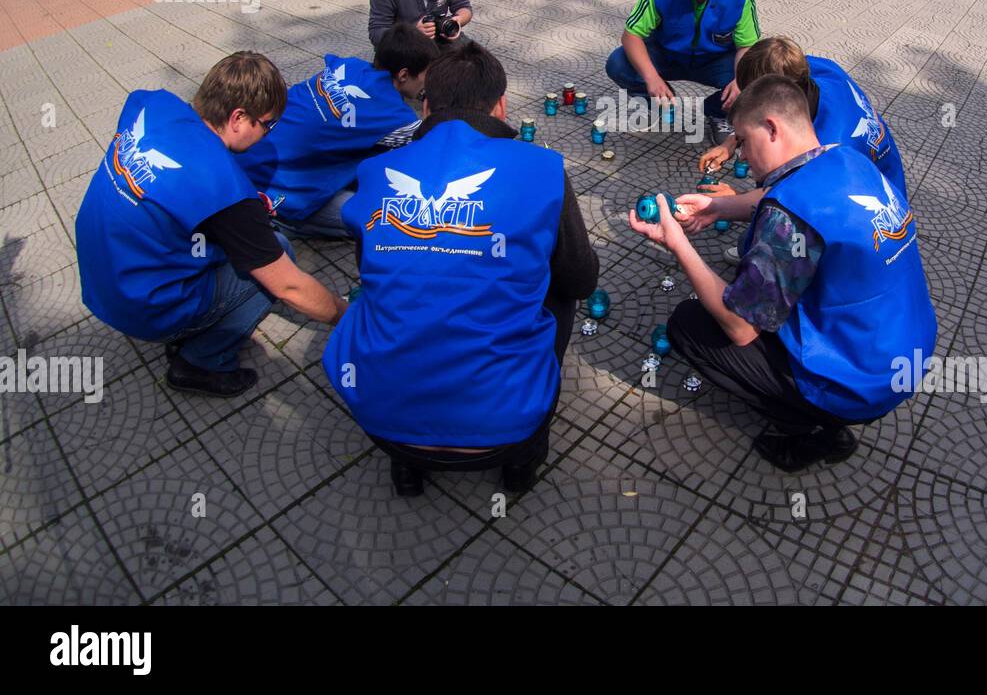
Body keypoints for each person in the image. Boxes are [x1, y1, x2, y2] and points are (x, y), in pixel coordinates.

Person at [323, 41, 599, 496]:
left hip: (382, 416)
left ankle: (407, 467)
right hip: (509, 423)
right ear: (501, 105)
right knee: (561, 286)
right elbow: (582, 280)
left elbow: (369, 273)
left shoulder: (376, 170)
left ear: (425, 104)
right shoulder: (542, 167)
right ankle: (521, 465)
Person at [632, 75, 937, 472]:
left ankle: (812, 428)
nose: (741, 157)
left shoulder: (791, 214)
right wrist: (719, 208)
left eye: (742, 141)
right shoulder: (848, 159)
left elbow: (739, 326)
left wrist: (679, 245)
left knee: (690, 324)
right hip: (908, 350)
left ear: (771, 128)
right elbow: (794, 191)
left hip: (860, 383)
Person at [76, 53, 350, 397]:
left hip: (100, 278)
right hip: (137, 304)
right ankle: (199, 362)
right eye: (267, 124)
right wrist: (345, 314)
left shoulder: (151, 104)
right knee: (278, 253)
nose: (267, 135)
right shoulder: (223, 187)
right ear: (238, 118)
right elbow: (289, 288)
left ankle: (188, 324)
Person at [236, 25, 435, 239]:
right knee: (389, 217)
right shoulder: (396, 117)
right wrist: (432, 114)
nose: (428, 83)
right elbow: (434, 148)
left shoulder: (350, 66)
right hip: (277, 190)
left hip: (246, 155)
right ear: (404, 74)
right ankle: (279, 219)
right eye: (427, 75)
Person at [700, 36, 908, 199]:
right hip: (884, 167)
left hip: (871, 203)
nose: (743, 156)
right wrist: (732, 142)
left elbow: (793, 202)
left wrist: (736, 199)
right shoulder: (813, 69)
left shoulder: (822, 150)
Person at [605, 0, 760, 145]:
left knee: (758, 73)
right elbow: (630, 36)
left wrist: (740, 80)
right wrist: (652, 78)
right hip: (668, 56)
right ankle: (660, 101)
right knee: (618, 63)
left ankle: (718, 112)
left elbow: (747, 47)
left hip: (715, 62)